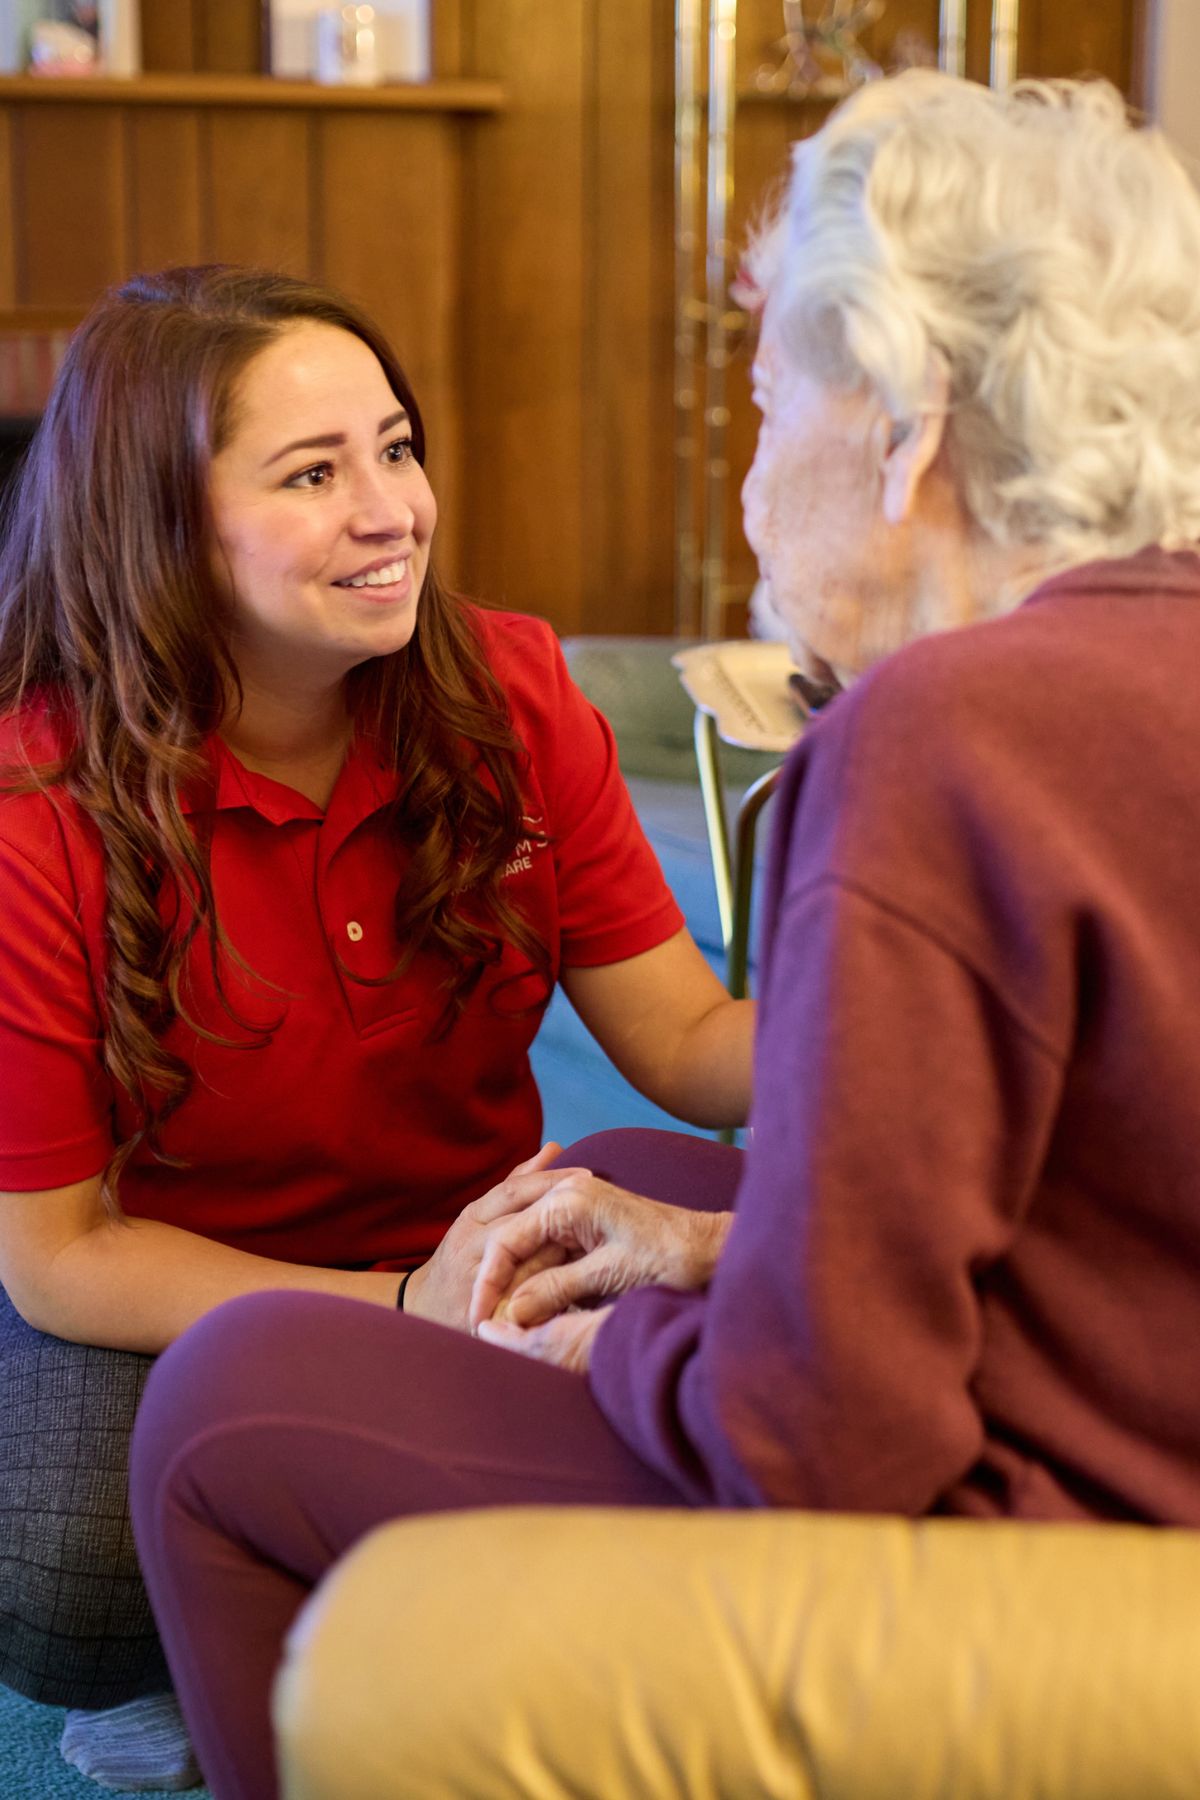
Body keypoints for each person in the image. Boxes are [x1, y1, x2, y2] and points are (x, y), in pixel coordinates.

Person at [130, 70, 1200, 1800]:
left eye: (776, 403)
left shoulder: (941, 737)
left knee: (223, 1408)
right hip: (1156, 1433)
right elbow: (1110, 1182)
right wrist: (715, 1254)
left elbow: (825, 1438)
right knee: (626, 1167)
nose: (761, 468)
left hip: (1054, 1549)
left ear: (909, 422)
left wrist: (614, 1343)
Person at [0, 264, 753, 1791]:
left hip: (461, 1230)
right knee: (60, 1575)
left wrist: (912, 989)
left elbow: (682, 1040)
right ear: (163, 525)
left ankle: (361, 1564)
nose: (391, 508)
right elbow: (61, 1252)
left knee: (677, 1223)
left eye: (397, 449)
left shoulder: (515, 691)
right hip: (176, 1286)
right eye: (314, 472)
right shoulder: (33, 804)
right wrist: (406, 1306)